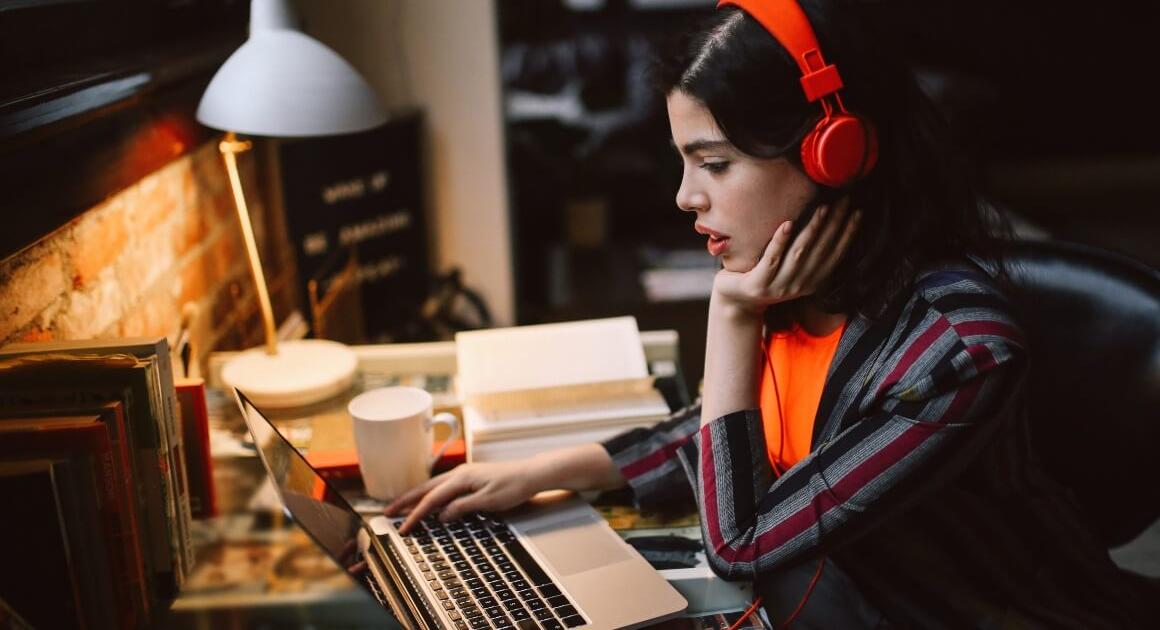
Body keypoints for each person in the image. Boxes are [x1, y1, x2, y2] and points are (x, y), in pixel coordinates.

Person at [386, 1, 1160, 627]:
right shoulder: (805, 290)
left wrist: (730, 317)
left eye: (715, 165)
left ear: (835, 151)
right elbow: (733, 426)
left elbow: (745, 540)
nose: (687, 197)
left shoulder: (958, 353)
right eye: (685, 162)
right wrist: (545, 473)